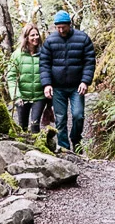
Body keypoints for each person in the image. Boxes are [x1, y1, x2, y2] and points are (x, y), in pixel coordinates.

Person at [40, 10, 96, 152]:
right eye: (58, 27)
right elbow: (44, 64)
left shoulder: (82, 39)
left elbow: (89, 61)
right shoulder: (50, 41)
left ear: (69, 25)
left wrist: (85, 81)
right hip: (58, 87)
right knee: (60, 119)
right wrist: (47, 84)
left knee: (78, 115)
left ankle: (76, 140)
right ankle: (65, 148)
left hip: (77, 86)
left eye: (63, 27)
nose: (60, 30)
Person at [7, 23, 48, 133]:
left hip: (39, 96)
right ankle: (25, 149)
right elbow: (11, 77)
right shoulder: (17, 55)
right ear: (26, 37)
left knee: (35, 124)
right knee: (22, 127)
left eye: (37, 34)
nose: (36, 37)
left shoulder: (44, 53)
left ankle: (38, 149)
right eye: (32, 35)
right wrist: (16, 96)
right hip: (22, 97)